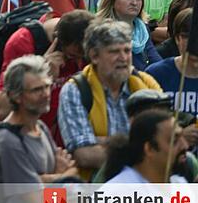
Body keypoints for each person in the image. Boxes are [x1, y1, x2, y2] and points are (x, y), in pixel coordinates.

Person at [58, 19, 162, 176]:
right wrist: (142, 149)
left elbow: (165, 142)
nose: (123, 58)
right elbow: (84, 155)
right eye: (114, 51)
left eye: (127, 51)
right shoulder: (75, 90)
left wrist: (104, 142)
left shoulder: (146, 83)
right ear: (94, 56)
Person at [0, 56, 78, 203]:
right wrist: (63, 177)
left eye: (47, 87)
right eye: (37, 90)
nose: (46, 94)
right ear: (15, 96)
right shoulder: (7, 140)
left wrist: (46, 180)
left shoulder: (40, 127)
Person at [96, 0, 162, 72]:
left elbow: (157, 63)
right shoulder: (101, 31)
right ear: (112, 0)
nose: (134, 2)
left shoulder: (143, 30)